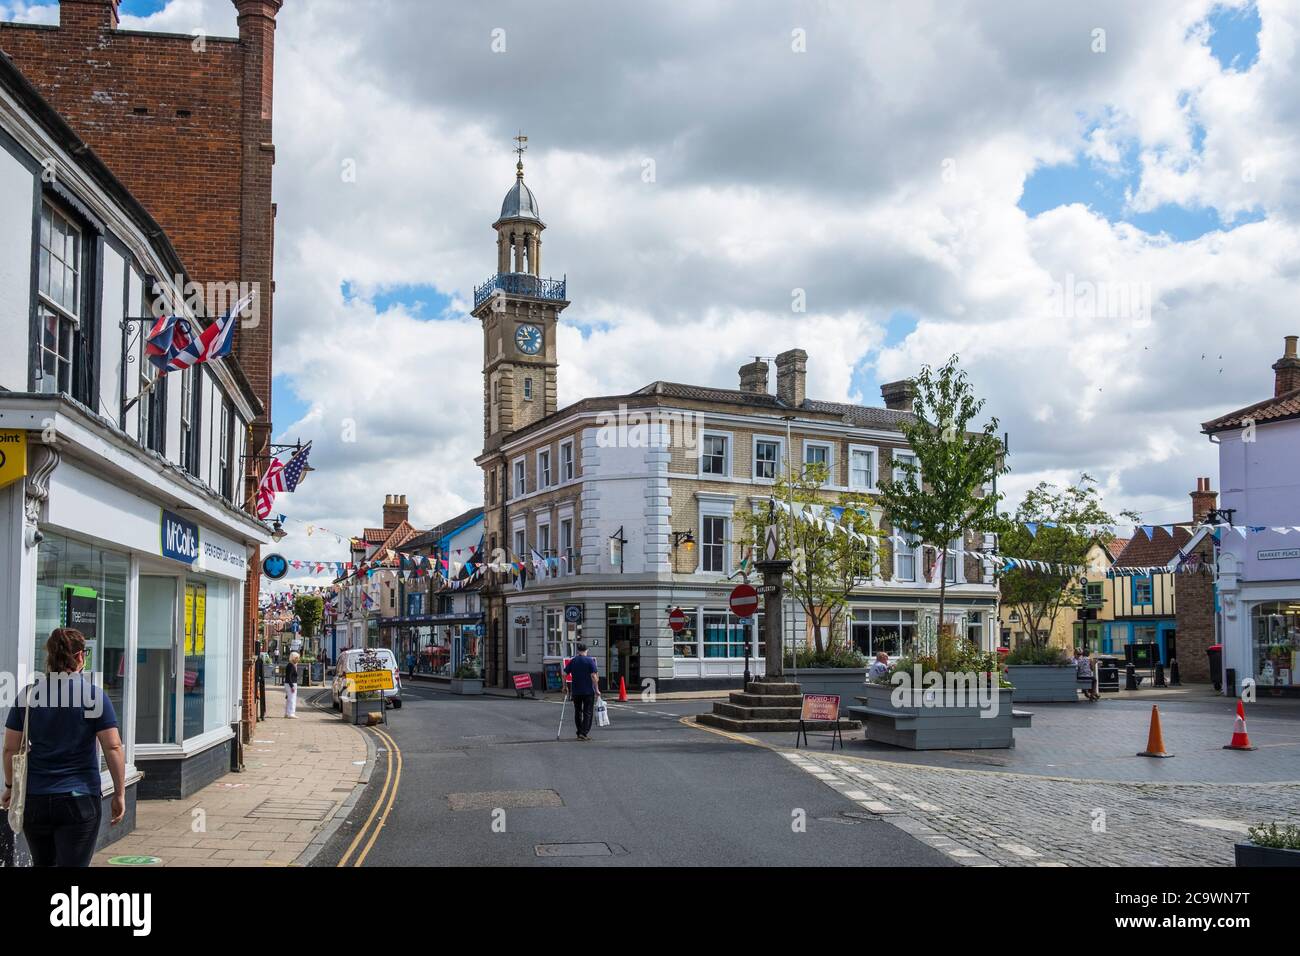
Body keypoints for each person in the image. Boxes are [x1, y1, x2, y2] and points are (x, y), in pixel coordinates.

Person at [2, 628, 126, 866]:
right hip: (78, 799)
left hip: (35, 800)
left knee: (43, 863)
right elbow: (113, 747)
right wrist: (119, 793)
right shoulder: (94, 696)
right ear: (80, 656)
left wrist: (10, 786)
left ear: (49, 656)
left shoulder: (28, 695)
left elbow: (10, 749)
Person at [563, 643, 600, 741]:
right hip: (588, 691)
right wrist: (597, 689)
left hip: (576, 691)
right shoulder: (590, 661)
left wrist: (565, 686)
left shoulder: (573, 661)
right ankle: (583, 733)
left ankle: (579, 732)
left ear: (578, 651)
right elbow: (593, 676)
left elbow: (564, 673)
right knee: (588, 712)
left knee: (578, 712)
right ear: (586, 650)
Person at [284, 651, 300, 718]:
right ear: (293, 658)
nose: (298, 659)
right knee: (292, 699)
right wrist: (292, 686)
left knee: (289, 699)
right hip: (291, 684)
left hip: (289, 684)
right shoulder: (291, 666)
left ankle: (287, 713)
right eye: (297, 658)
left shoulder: (291, 665)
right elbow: (289, 676)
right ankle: (291, 713)